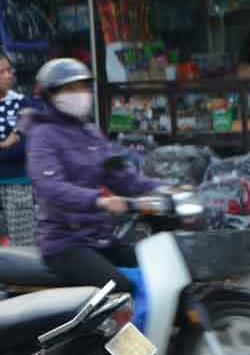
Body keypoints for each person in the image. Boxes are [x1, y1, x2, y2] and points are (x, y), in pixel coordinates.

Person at [25, 58, 160, 293]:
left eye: (84, 87)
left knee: (157, 266)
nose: (81, 94)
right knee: (119, 290)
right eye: (71, 89)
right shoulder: (42, 135)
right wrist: (99, 200)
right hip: (65, 243)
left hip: (100, 237)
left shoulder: (90, 132)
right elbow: (50, 186)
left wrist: (164, 188)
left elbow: (120, 177)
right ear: (51, 95)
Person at [0, 52, 33, 246]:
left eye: (9, 70)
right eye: (1, 71)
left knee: (24, 246)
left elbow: (23, 146)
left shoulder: (24, 104)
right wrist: (3, 144)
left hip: (18, 183)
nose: (8, 75)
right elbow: (11, 145)